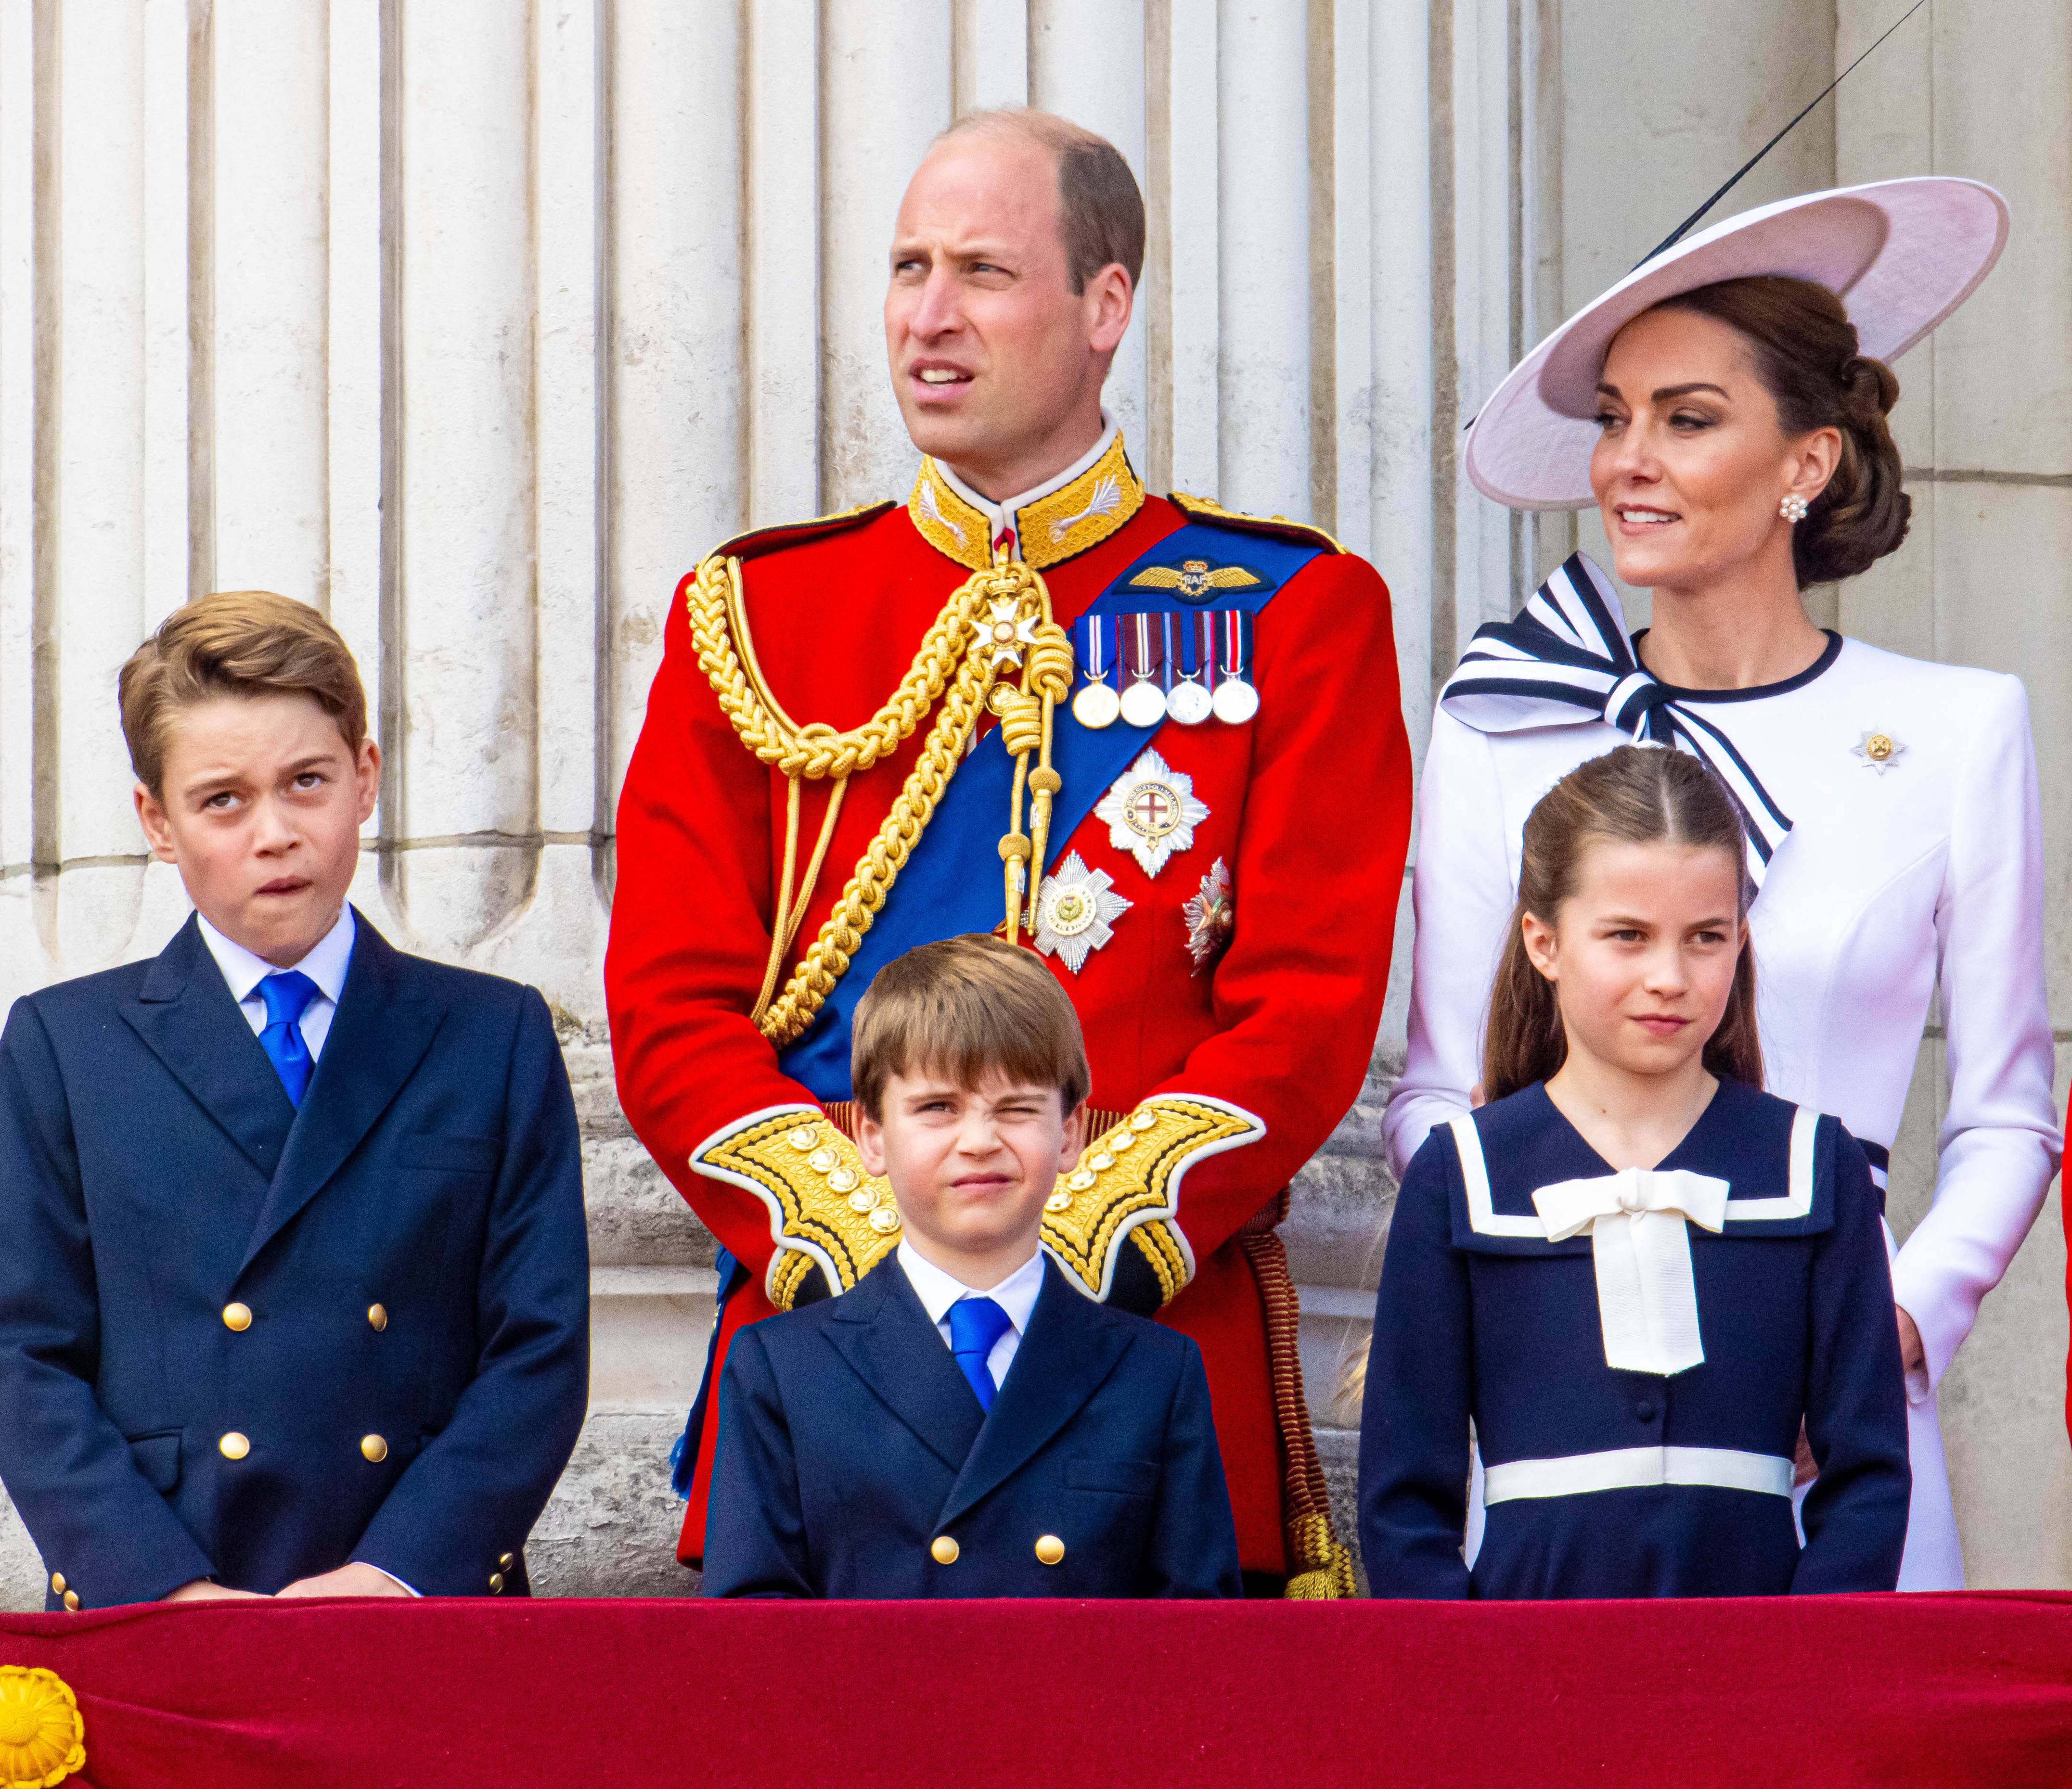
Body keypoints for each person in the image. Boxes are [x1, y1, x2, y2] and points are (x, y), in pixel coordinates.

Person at [607, 107, 1411, 1596]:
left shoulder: (1294, 609)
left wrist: (1069, 1253)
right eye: (908, 267)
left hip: (1149, 1380)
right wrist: (888, 1256)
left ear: (1106, 306)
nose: (926, 314)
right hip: (824, 1384)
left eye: (982, 270)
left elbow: (1304, 1013)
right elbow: (668, 1010)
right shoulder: (754, 616)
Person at [1385, 178, 2055, 1590]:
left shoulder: (1957, 725)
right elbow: (1439, 1095)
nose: (1629, 457)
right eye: (1614, 415)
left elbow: (2006, 1108)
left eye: (1685, 418)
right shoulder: (1504, 718)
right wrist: (1531, 1299)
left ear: (1804, 463)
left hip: (1837, 1402)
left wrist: (1896, 1324)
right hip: (1557, 1407)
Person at [0, 590, 591, 1609]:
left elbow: (539, 1346)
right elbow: (25, 1359)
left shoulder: (492, 1034)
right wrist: (160, 1589)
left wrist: (393, 1575)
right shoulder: (67, 1046)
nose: (275, 833)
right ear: (156, 822)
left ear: (365, 779)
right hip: (165, 1607)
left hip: (416, 1606)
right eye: (222, 799)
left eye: (306, 782)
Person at [1363, 746, 1908, 1598]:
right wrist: (1467, 1680)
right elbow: (1403, 1504)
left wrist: (1804, 1670)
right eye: (1627, 935)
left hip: (1758, 1671)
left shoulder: (1815, 1165)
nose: (1669, 978)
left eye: (1705, 938)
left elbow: (1868, 1477)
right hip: (1524, 1671)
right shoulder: (1461, 1173)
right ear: (1542, 942)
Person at [703, 934, 1239, 1598]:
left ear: (1070, 1134)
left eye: (1016, 1108)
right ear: (871, 1135)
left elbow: (1195, 1649)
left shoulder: (1155, 1375)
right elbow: (756, 1640)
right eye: (938, 1108)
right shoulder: (780, 1371)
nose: (980, 1141)